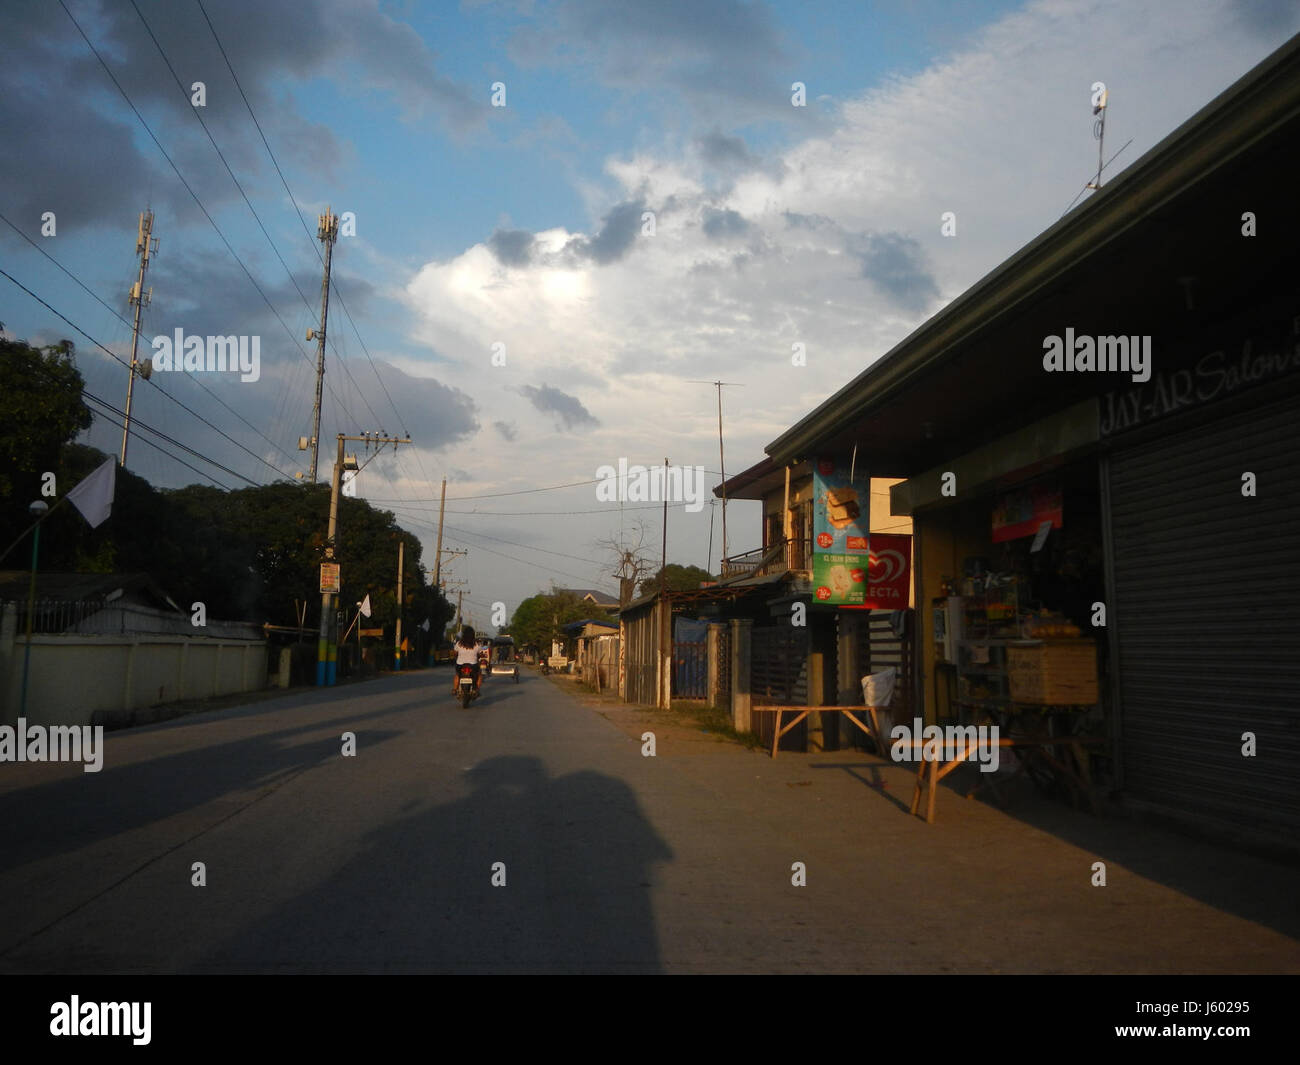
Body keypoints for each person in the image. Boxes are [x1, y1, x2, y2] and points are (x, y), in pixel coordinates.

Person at [453, 625, 481, 696]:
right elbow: (479, 654)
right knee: (479, 675)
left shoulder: (459, 643)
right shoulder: (476, 644)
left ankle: (455, 689)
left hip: (460, 664)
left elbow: (455, 653)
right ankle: (476, 689)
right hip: (473, 665)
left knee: (457, 675)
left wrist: (457, 657)